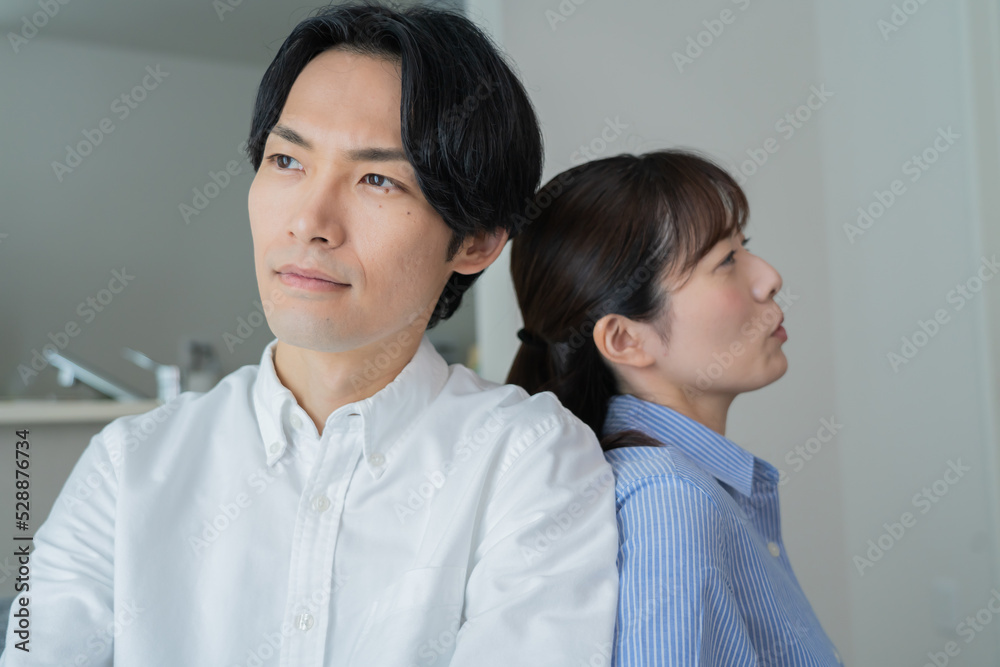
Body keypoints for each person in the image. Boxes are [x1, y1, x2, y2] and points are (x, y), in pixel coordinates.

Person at [1, 4, 619, 665]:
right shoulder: (128, 465)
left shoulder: (529, 462)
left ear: (476, 241)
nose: (309, 222)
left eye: (377, 179)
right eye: (287, 160)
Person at [507, 150, 843, 665]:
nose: (769, 277)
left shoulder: (679, 488)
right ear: (625, 339)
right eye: (725, 261)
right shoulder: (668, 504)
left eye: (745, 246)